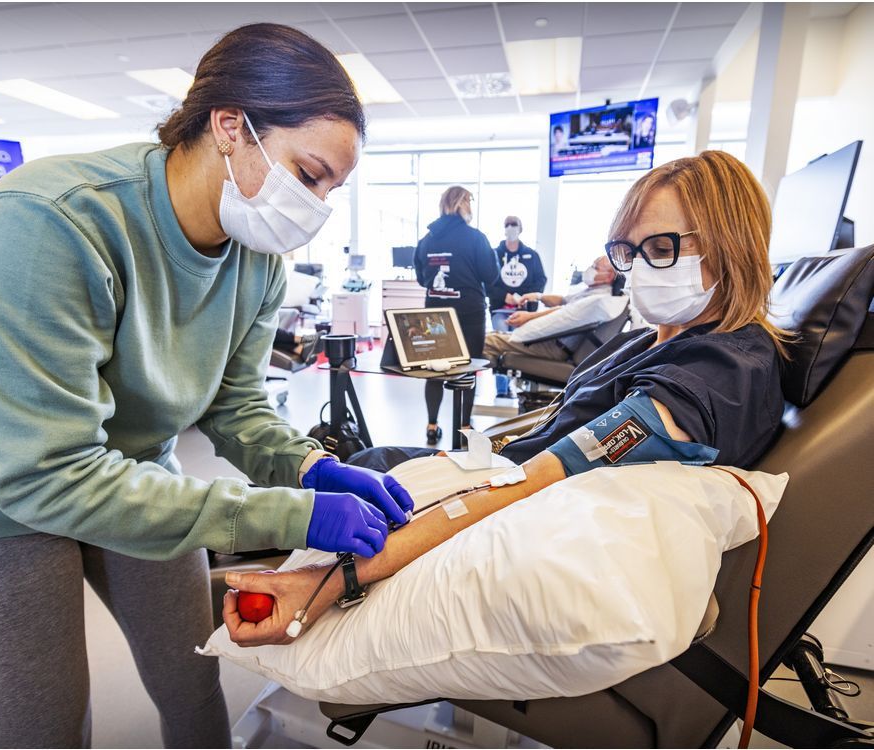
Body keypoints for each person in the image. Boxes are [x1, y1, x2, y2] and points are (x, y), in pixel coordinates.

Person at [0, 24, 414, 749]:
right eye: (309, 173)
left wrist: (313, 468)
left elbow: (236, 404)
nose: (314, 206)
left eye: (331, 188)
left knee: (193, 673)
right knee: (46, 728)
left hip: (129, 464)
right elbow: (49, 477)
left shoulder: (257, 262)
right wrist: (292, 515)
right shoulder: (52, 222)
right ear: (231, 126)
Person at [220, 150, 788, 647]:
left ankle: (235, 548)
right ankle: (238, 535)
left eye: (660, 247)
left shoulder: (716, 371)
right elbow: (563, 427)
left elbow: (543, 477)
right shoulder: (656, 339)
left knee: (370, 467)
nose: (637, 268)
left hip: (497, 494)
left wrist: (334, 579)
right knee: (365, 465)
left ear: (729, 243)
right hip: (491, 465)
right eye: (626, 250)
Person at [413, 186, 499, 445]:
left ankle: (431, 424)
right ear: (463, 204)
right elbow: (490, 276)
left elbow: (421, 279)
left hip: (435, 315)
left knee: (434, 370)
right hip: (469, 314)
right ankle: (463, 426)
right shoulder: (475, 238)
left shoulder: (426, 241)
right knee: (467, 370)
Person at [484, 255, 626, 387]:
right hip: (552, 342)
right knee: (489, 338)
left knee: (487, 341)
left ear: (609, 276)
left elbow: (564, 312)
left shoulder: (597, 300)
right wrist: (538, 296)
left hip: (554, 347)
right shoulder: (592, 292)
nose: (590, 270)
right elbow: (563, 301)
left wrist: (528, 317)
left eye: (595, 267)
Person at [487, 215, 547, 334]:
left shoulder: (532, 255)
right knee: (502, 336)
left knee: (519, 338)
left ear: (520, 229)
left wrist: (525, 297)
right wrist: (504, 296)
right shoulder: (493, 255)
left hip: (525, 310)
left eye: (514, 224)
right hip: (500, 310)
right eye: (507, 225)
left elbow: (541, 280)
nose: (510, 227)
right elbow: (486, 283)